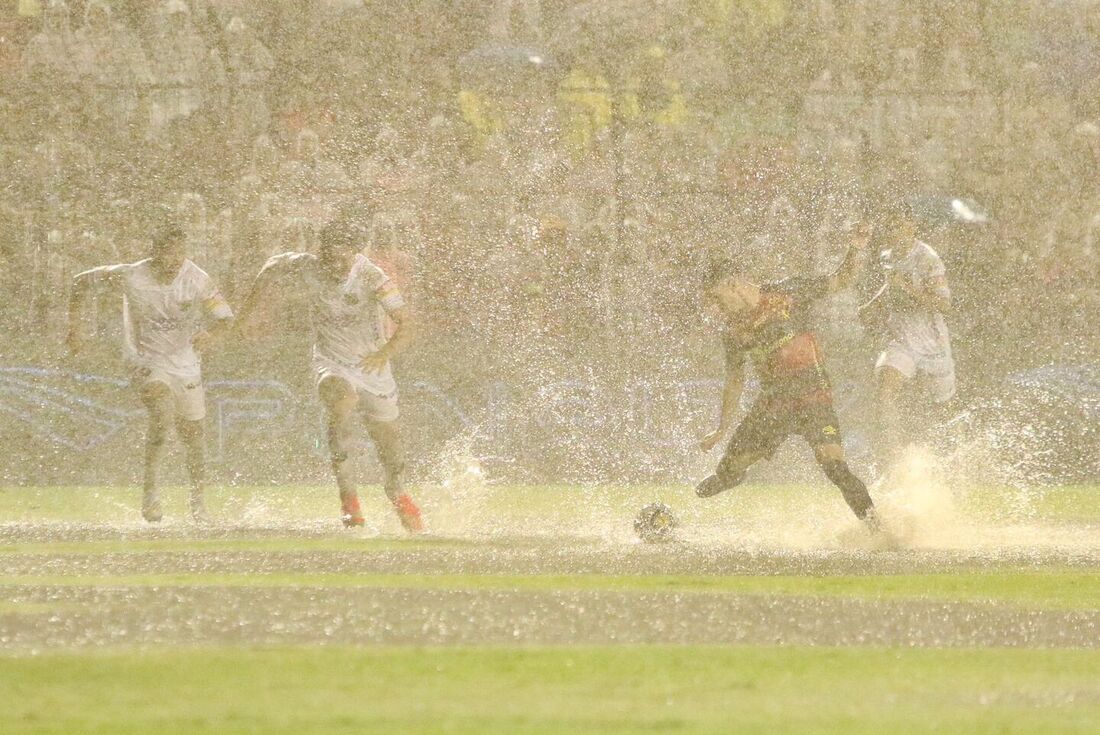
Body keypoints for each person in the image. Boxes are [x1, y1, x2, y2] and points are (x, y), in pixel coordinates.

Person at [236, 221, 423, 531]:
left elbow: (407, 324)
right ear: (321, 253)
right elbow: (270, 266)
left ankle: (396, 490)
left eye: (343, 258)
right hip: (331, 360)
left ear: (354, 254)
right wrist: (246, 314)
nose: (336, 266)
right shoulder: (307, 266)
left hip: (371, 366)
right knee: (341, 401)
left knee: (388, 444)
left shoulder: (372, 276)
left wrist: (384, 353)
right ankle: (348, 497)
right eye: (330, 258)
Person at [696, 224, 881, 531]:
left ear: (732, 285)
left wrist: (857, 248)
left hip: (812, 396)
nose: (715, 309)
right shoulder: (733, 332)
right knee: (728, 472)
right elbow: (735, 381)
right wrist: (721, 429)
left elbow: (841, 279)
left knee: (835, 467)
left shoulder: (787, 292)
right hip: (774, 405)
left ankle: (879, 530)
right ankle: (727, 476)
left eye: (716, 299)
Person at [66, 222, 233, 523]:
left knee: (194, 436)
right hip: (145, 359)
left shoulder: (197, 279)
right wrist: (76, 327)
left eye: (180, 254)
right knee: (161, 414)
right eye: (169, 253)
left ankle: (197, 502)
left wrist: (212, 335)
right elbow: (80, 281)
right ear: (154, 251)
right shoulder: (131, 274)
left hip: (185, 363)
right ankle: (150, 495)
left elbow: (223, 318)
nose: (175, 261)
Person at [860, 204, 956, 466]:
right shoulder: (887, 256)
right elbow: (891, 287)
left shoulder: (928, 259)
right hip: (901, 337)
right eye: (891, 226)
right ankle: (891, 458)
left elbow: (944, 304)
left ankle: (950, 459)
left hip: (930, 340)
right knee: (885, 389)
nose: (895, 231)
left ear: (912, 226)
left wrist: (908, 289)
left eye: (900, 224)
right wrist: (873, 305)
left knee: (943, 409)